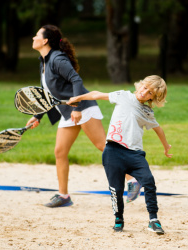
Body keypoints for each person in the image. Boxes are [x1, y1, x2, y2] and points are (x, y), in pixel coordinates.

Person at [26, 24, 140, 208]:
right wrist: (38, 116)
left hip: (83, 108)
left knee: (103, 146)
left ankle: (133, 179)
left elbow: (76, 80)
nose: (33, 38)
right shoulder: (44, 61)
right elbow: (48, 93)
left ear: (45, 40)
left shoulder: (57, 58)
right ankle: (63, 196)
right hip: (69, 112)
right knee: (60, 152)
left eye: (36, 35)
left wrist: (77, 107)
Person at [67, 75, 172, 234]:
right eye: (144, 88)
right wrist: (79, 97)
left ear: (154, 97)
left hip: (135, 155)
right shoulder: (123, 96)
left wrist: (166, 146)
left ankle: (153, 219)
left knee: (149, 181)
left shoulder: (147, 112)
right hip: (113, 152)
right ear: (140, 85)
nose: (144, 93)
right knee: (116, 189)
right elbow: (97, 94)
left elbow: (158, 129)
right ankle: (118, 219)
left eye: (150, 93)